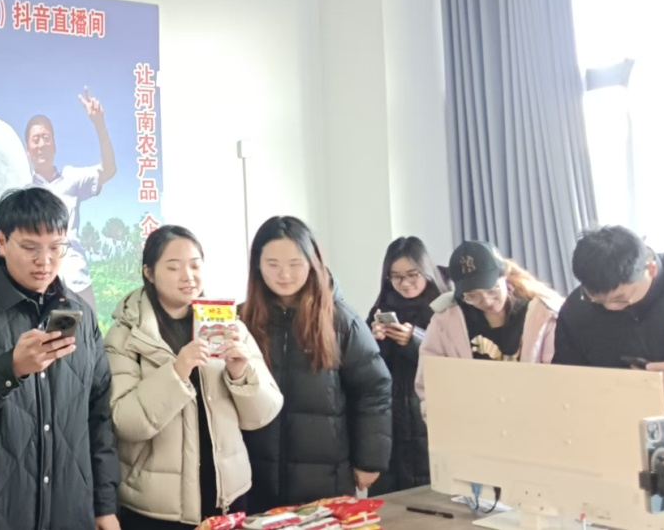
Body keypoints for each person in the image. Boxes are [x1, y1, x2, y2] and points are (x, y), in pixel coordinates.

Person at [0, 187, 121, 530]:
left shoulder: (82, 315)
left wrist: (103, 506)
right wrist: (10, 369)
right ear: (2, 242)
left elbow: (98, 416)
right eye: (30, 247)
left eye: (56, 247)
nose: (45, 260)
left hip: (67, 510)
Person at [104, 225, 283, 529]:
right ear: (149, 273)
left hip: (228, 496)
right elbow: (125, 421)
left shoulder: (229, 326)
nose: (188, 276)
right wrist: (177, 372)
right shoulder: (125, 336)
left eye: (195, 266)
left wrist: (240, 373)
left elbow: (263, 413)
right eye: (174, 267)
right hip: (157, 508)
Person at [238, 216, 393, 512]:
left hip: (325, 480)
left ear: (312, 263)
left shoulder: (340, 320)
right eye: (272, 264)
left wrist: (369, 461)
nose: (284, 274)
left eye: (295, 263)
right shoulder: (242, 321)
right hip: (255, 478)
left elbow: (374, 389)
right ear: (257, 266)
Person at [415, 241, 562, 409]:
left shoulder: (542, 315)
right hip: (472, 417)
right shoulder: (446, 321)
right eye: (472, 296)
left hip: (532, 413)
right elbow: (430, 383)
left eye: (492, 290)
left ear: (505, 277)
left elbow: (556, 378)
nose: (486, 301)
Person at [554, 226, 664, 419]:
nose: (610, 308)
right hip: (620, 422)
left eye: (621, 299)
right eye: (598, 301)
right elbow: (566, 383)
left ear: (650, 269)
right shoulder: (577, 310)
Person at [364, 237, 449, 495]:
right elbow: (366, 371)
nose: (405, 283)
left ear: (426, 271)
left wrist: (413, 340)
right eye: (396, 277)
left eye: (412, 274)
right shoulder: (380, 308)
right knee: (389, 504)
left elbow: (451, 365)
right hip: (390, 421)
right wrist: (374, 340)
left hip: (429, 418)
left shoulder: (446, 308)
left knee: (434, 499)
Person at [26, 88, 118, 311]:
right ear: (28, 150)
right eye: (35, 140)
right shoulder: (24, 188)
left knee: (88, 333)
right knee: (49, 334)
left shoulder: (72, 178)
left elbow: (109, 169)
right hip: (41, 286)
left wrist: (99, 124)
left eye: (46, 138)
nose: (41, 144)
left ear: (55, 145)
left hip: (77, 281)